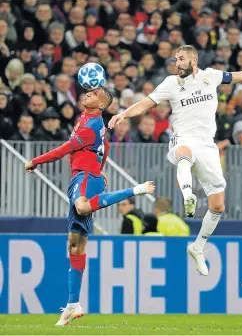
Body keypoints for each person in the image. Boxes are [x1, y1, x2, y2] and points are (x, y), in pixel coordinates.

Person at [109, 44, 242, 276]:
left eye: (181, 59)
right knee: (184, 154)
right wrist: (123, 113)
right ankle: (188, 194)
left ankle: (198, 246)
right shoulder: (170, 83)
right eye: (175, 59)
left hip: (208, 145)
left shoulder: (212, 76)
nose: (177, 63)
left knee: (218, 206)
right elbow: (146, 103)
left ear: (194, 60)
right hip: (183, 138)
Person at [24, 86, 155, 326]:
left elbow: (64, 150)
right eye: (88, 92)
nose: (87, 95)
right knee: (75, 246)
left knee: (83, 207)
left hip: (84, 178)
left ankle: (136, 189)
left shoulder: (90, 126)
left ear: (102, 105)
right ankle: (73, 304)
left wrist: (35, 161)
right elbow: (102, 150)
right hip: (87, 175)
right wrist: (101, 169)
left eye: (94, 95)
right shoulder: (92, 122)